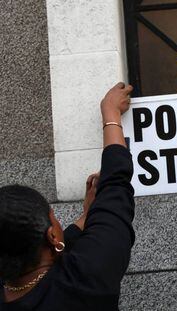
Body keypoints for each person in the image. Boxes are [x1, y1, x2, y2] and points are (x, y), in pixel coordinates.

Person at [0, 82, 135, 310]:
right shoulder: (84, 279)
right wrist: (111, 114)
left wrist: (84, 218)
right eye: (54, 219)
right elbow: (115, 186)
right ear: (52, 235)